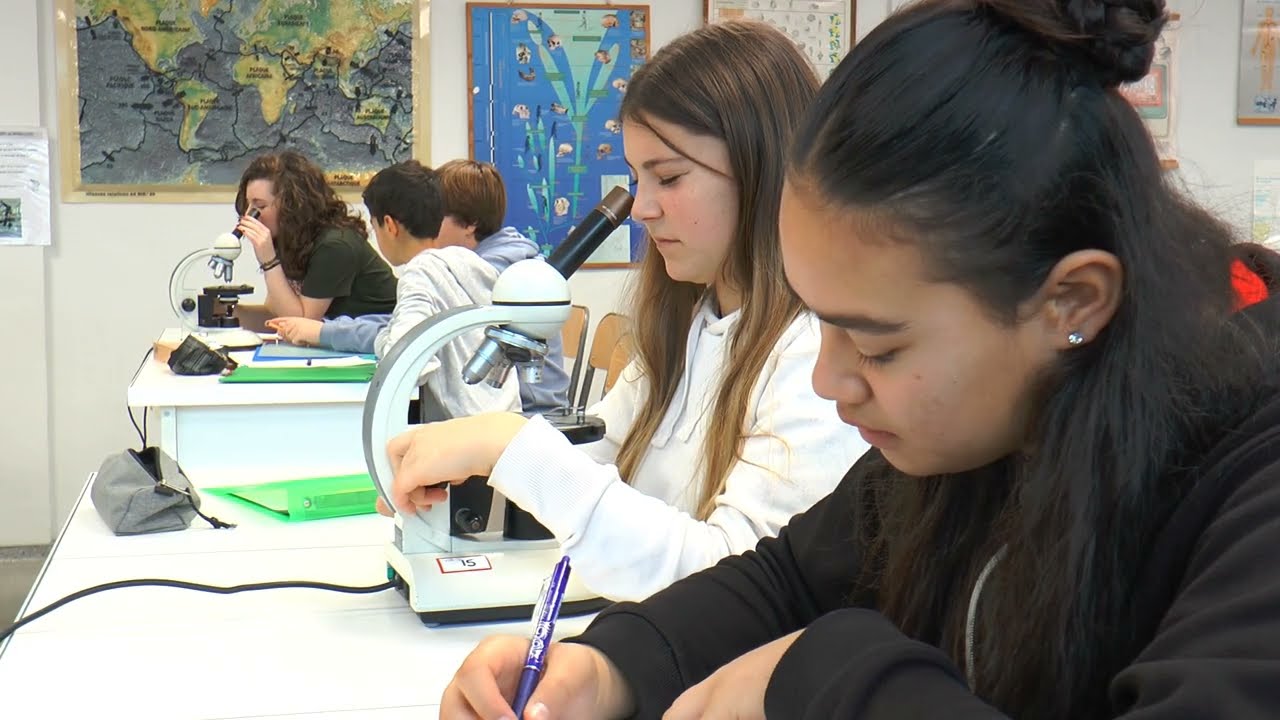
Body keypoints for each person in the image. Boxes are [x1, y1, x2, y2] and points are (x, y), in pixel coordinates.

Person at [438, 1, 1280, 718]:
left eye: (877, 343)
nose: (826, 378)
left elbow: (811, 637)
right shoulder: (975, 428)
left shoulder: (1249, 483)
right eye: (824, 323)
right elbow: (788, 580)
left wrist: (823, 675)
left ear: (1072, 303)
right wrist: (611, 669)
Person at [384, 21, 868, 602]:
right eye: (638, 178)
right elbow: (602, 458)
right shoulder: (689, 326)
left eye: (668, 177)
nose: (641, 208)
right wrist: (469, 464)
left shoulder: (816, 360)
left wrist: (512, 446)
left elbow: (740, 588)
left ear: (762, 169)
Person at [268, 159, 572, 412]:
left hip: (531, 419)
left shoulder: (493, 275)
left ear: (470, 224)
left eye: (438, 216)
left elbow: (411, 341)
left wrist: (324, 332)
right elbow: (406, 323)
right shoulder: (462, 267)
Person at [234, 151, 397, 322]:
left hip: (380, 336)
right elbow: (277, 315)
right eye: (248, 204)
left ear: (293, 206)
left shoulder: (334, 245)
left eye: (259, 206)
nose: (249, 215)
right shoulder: (290, 241)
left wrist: (269, 262)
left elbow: (301, 323)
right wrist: (229, 313)